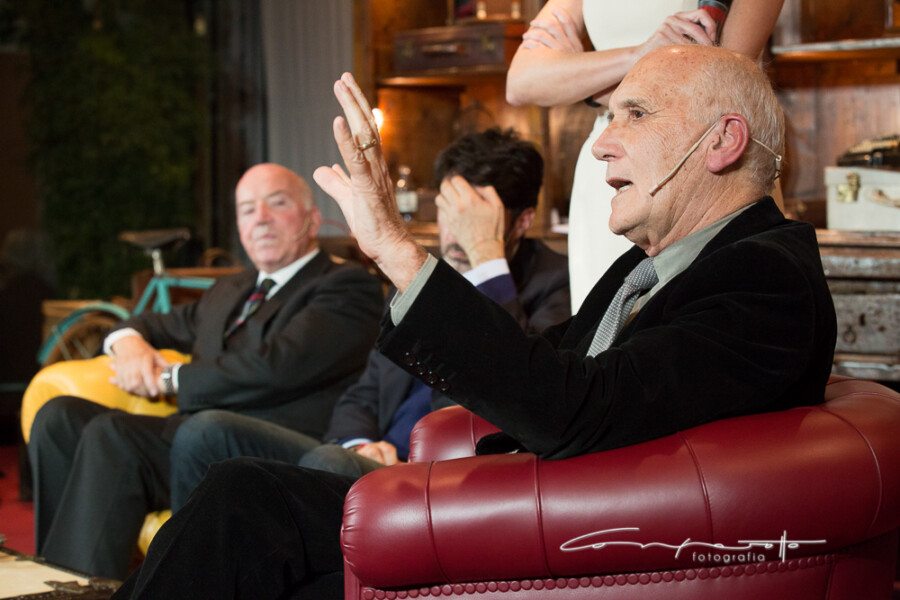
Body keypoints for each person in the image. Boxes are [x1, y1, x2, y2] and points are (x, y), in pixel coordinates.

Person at [112, 45, 836, 599]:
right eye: (607, 116)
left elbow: (573, 406)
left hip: (576, 544)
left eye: (635, 115)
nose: (600, 143)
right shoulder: (653, 264)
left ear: (722, 141)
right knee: (241, 509)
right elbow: (545, 365)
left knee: (243, 503)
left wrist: (398, 251)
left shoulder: (763, 276)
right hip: (529, 507)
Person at [166, 129, 571, 509]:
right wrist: (359, 443)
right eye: (451, 211)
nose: (456, 233)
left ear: (521, 220)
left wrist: (487, 260)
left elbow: (516, 389)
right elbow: (363, 393)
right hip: (368, 457)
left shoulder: (555, 283)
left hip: (445, 471)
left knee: (327, 465)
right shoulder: (420, 274)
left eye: (475, 215)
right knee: (207, 433)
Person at [28, 163, 385, 580]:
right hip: (193, 437)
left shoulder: (345, 285)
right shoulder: (231, 289)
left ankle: (87, 589)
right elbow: (150, 323)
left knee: (114, 434)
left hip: (275, 442)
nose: (260, 218)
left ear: (312, 219)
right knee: (59, 416)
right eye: (247, 209)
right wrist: (127, 342)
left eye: (277, 203)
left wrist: (169, 379)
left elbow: (274, 366)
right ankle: (55, 580)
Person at [506, 0, 785, 311]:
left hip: (696, 164)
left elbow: (722, 89)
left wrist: (579, 77)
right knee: (599, 324)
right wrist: (637, 55)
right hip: (605, 181)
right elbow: (521, 82)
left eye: (635, 108)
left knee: (698, 307)